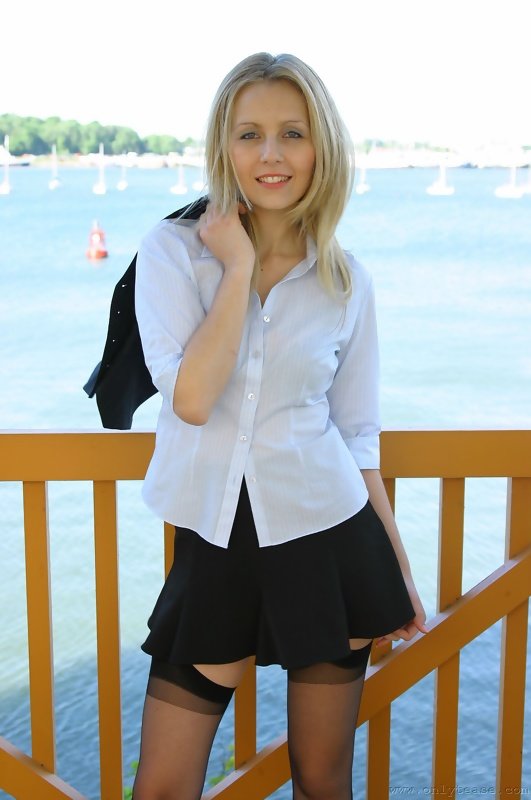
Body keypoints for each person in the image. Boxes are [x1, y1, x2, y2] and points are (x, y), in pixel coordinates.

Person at [132, 52, 428, 800]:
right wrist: (236, 269)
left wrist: (396, 565)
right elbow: (191, 399)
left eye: (292, 133)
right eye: (249, 134)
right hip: (214, 542)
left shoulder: (345, 280)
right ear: (223, 146)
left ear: (320, 148)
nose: (271, 154)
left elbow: (356, 435)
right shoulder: (172, 252)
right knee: (164, 786)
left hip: (330, 538)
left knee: (321, 779)